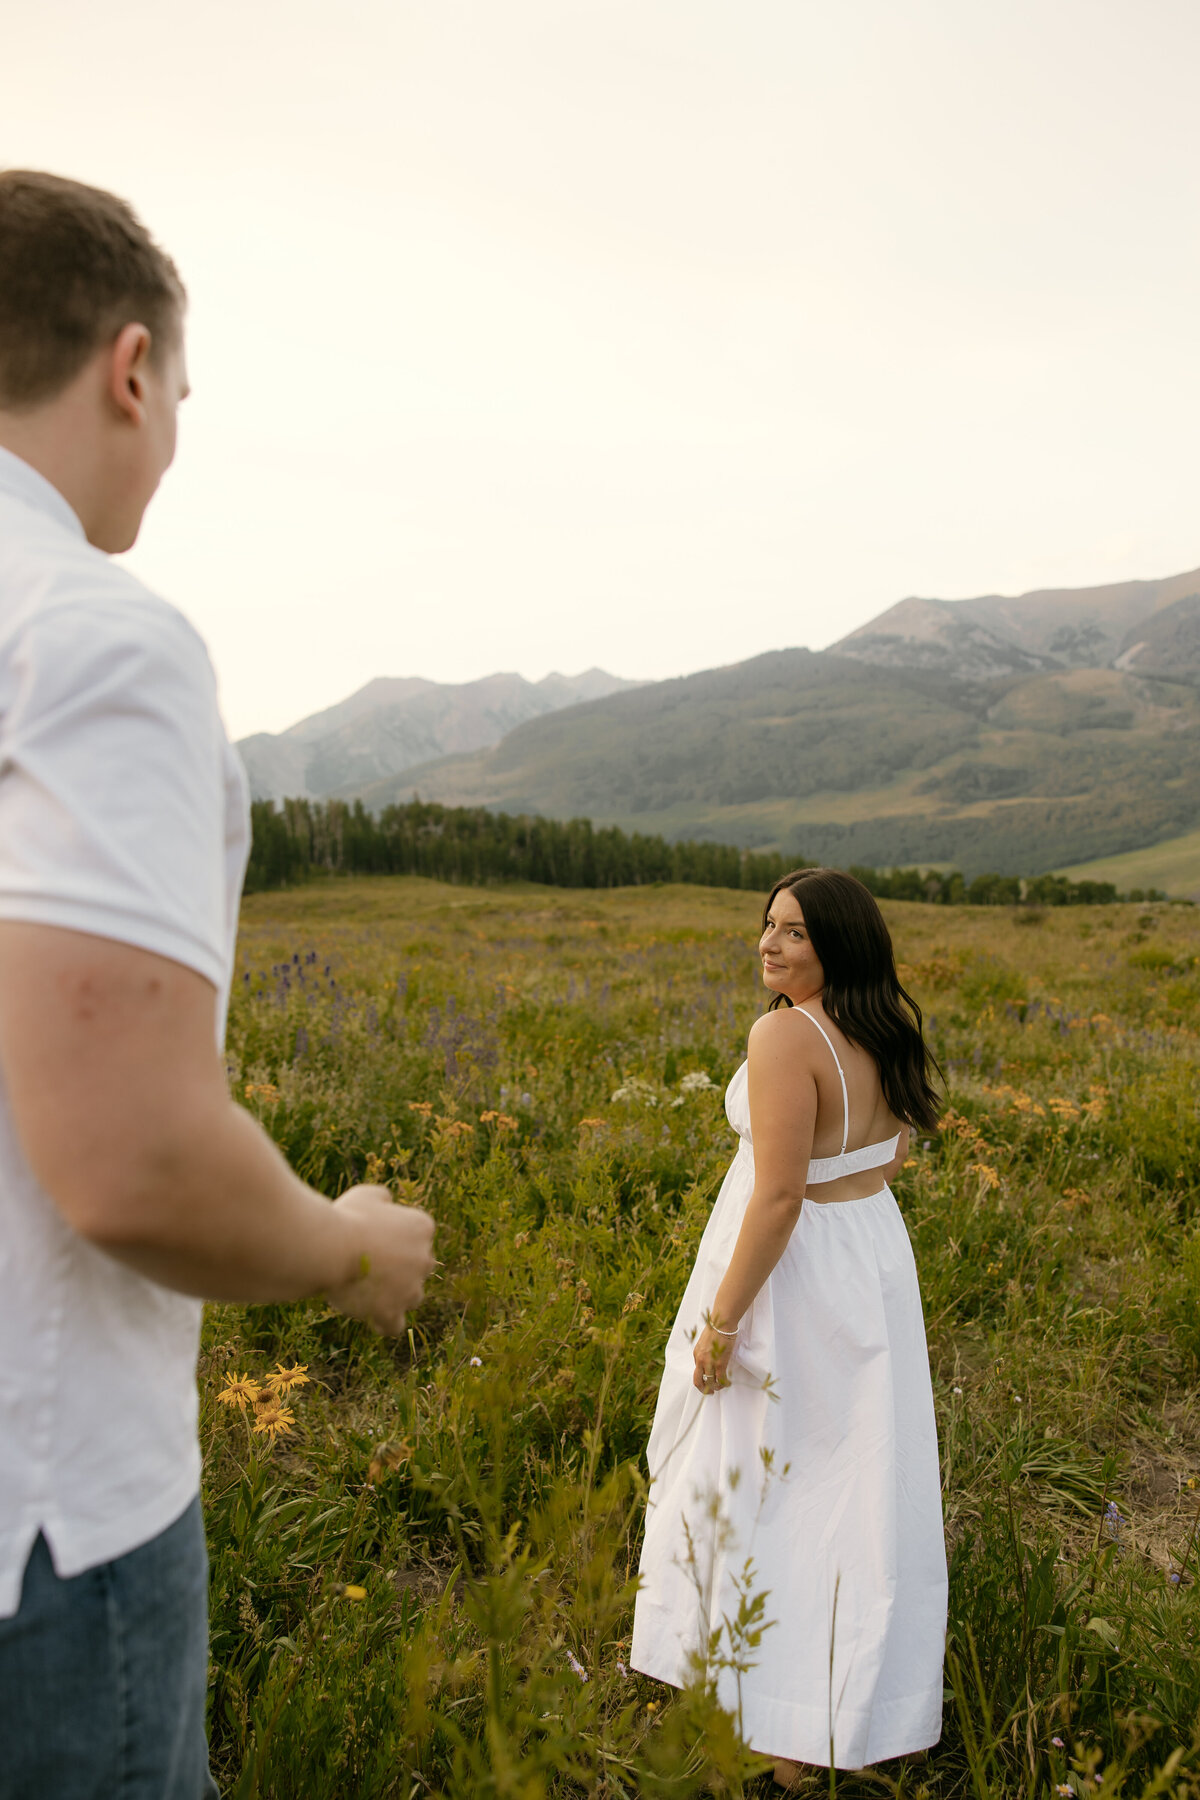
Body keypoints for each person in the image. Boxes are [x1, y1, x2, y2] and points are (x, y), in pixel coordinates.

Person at [0, 171, 437, 1800]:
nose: (173, 437)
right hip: (45, 1541)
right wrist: (347, 1247)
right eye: (178, 394)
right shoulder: (89, 634)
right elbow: (130, 1163)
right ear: (128, 369)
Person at [630, 867, 947, 1784]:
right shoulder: (882, 1025)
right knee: (858, 1479)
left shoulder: (784, 1037)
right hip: (871, 1258)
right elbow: (888, 1156)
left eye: (795, 933)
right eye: (767, 926)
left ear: (836, 944)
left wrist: (721, 1323)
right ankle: (859, 1706)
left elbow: (775, 1199)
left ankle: (777, 1725)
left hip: (794, 1270)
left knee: (769, 1474)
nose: (769, 945)